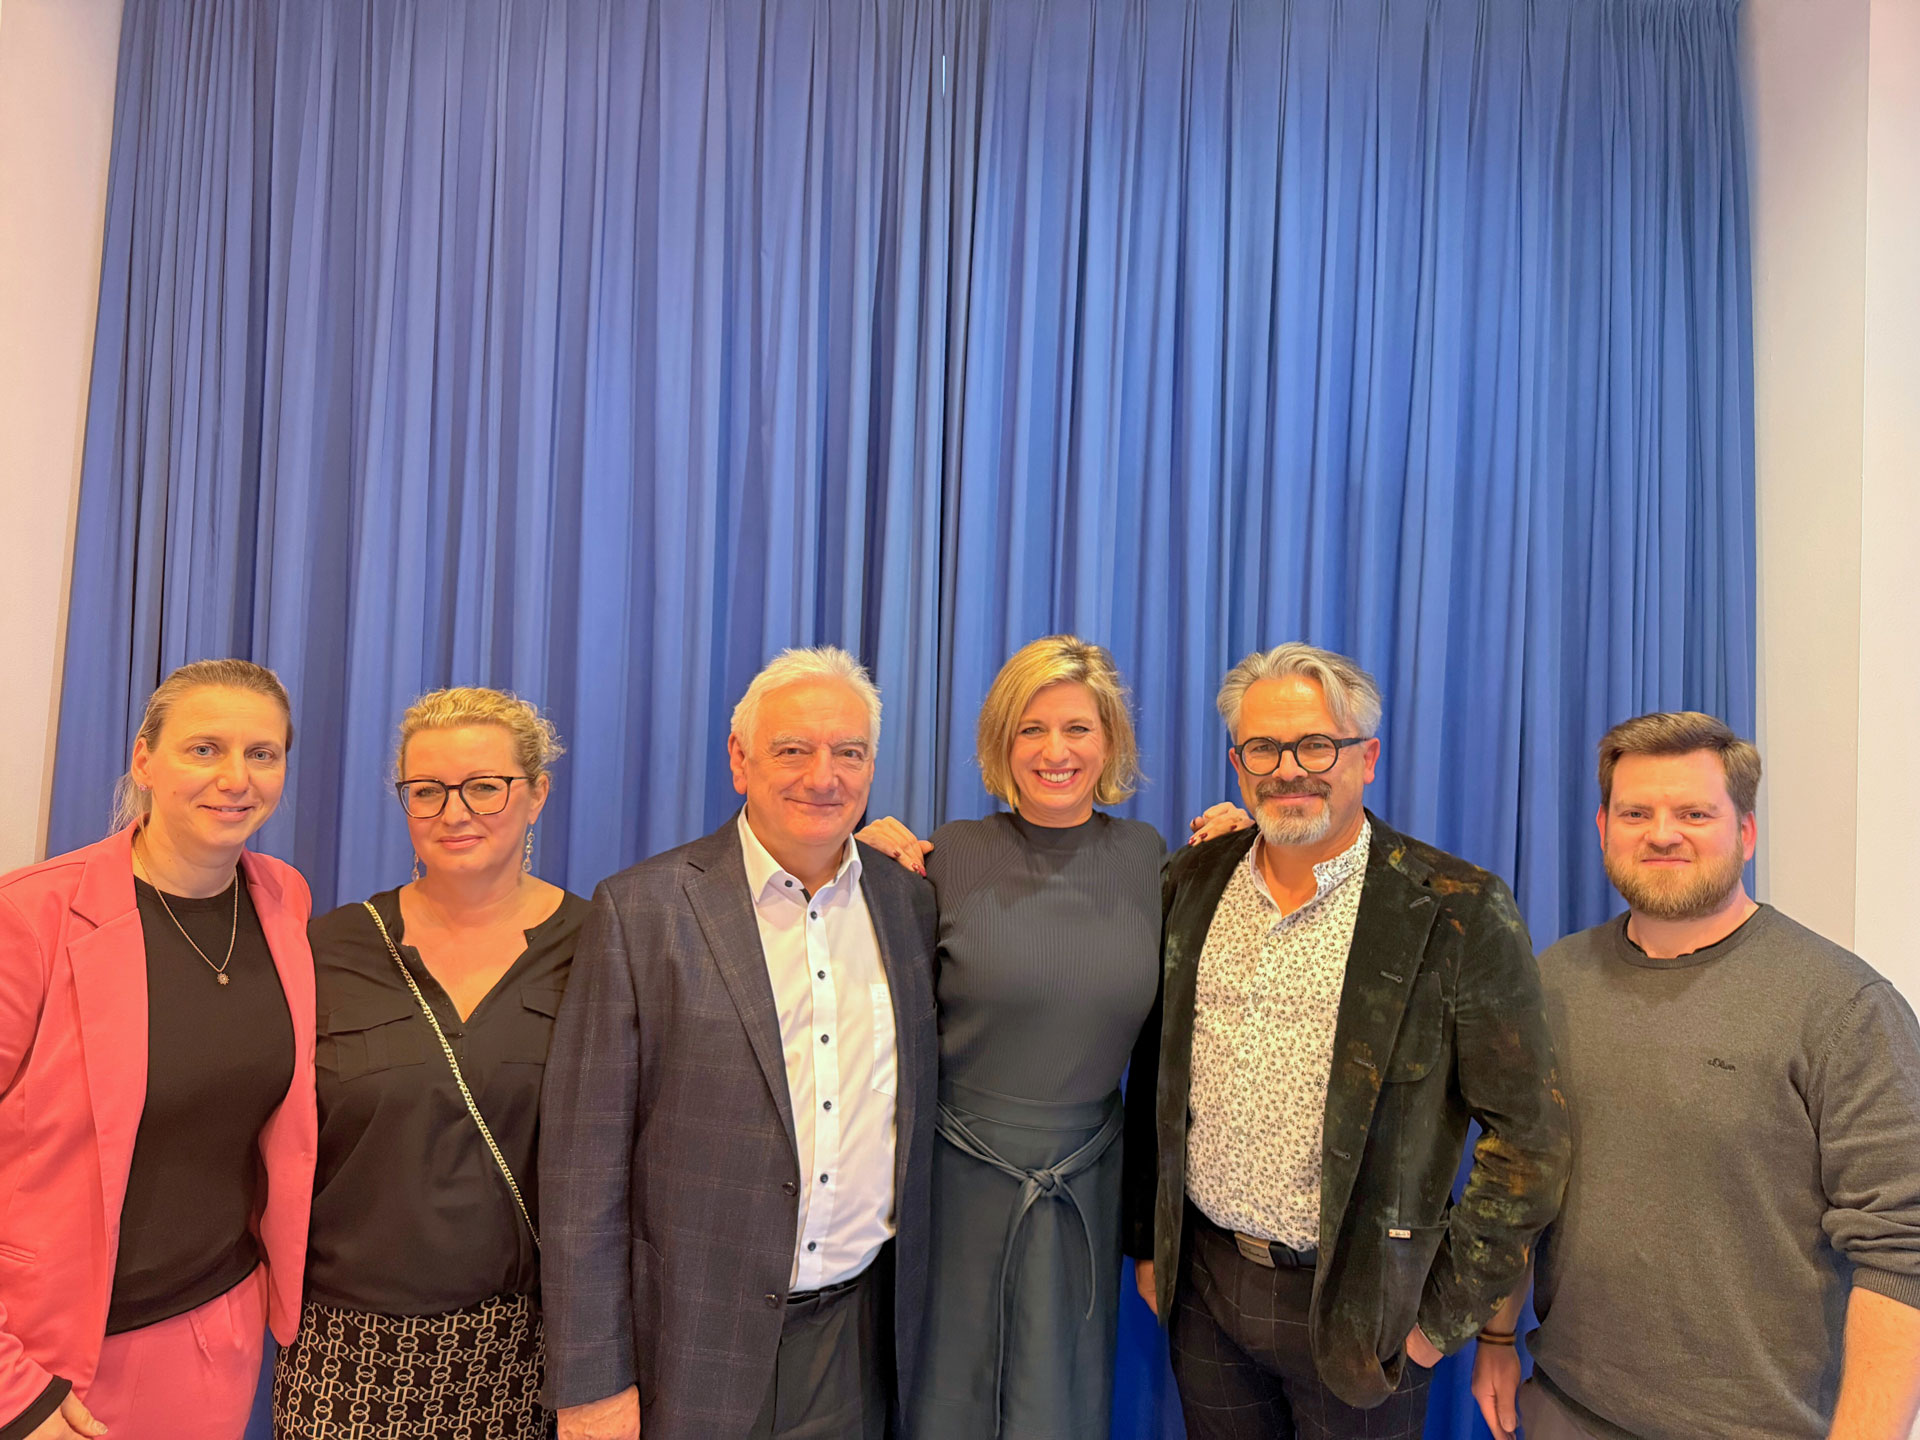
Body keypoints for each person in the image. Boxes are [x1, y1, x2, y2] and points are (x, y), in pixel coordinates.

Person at [1124, 641, 1570, 1440]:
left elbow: (1529, 1142)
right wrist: (1152, 1247)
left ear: (1367, 758)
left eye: (1317, 745)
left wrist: (1436, 1323)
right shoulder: (1190, 883)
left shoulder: (1456, 909)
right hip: (1207, 1291)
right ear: (1237, 765)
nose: (1289, 768)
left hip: (1367, 1312)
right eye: (1264, 748)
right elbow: (1152, 1071)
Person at [1471, 712, 1920, 1440]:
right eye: (1636, 813)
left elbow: (1902, 1251)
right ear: (1603, 828)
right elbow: (1522, 1176)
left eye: (1694, 813)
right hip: (1564, 1405)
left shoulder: (1844, 1006)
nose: (1662, 834)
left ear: (1746, 832)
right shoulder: (1554, 980)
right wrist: (1495, 1335)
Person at [540, 646, 938, 1440]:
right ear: (739, 759)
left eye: (849, 752)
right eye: (792, 749)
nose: (823, 777)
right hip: (690, 1350)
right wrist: (592, 1384)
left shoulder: (909, 904)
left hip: (859, 1343)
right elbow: (583, 1168)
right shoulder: (643, 911)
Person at [845, 635, 1176, 1438]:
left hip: (1087, 1185)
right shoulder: (948, 854)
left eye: (1077, 728)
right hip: (952, 1185)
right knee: (944, 1398)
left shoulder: (1151, 860)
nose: (1055, 751)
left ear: (1110, 742)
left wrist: (1243, 839)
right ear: (1002, 742)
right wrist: (860, 857)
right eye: (1032, 729)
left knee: (1060, 1399)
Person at [0, 659, 316, 1440]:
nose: (235, 779)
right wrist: (11, 1389)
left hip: (214, 1331)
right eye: (204, 749)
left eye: (262, 753)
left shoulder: (283, 897)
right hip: (42, 1357)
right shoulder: (29, 917)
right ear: (145, 759)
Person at [272, 687, 589, 1437]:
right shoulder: (327, 948)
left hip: (521, 1355)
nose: (455, 813)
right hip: (341, 1353)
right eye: (428, 791)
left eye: (485, 787)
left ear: (537, 794)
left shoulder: (600, 946)